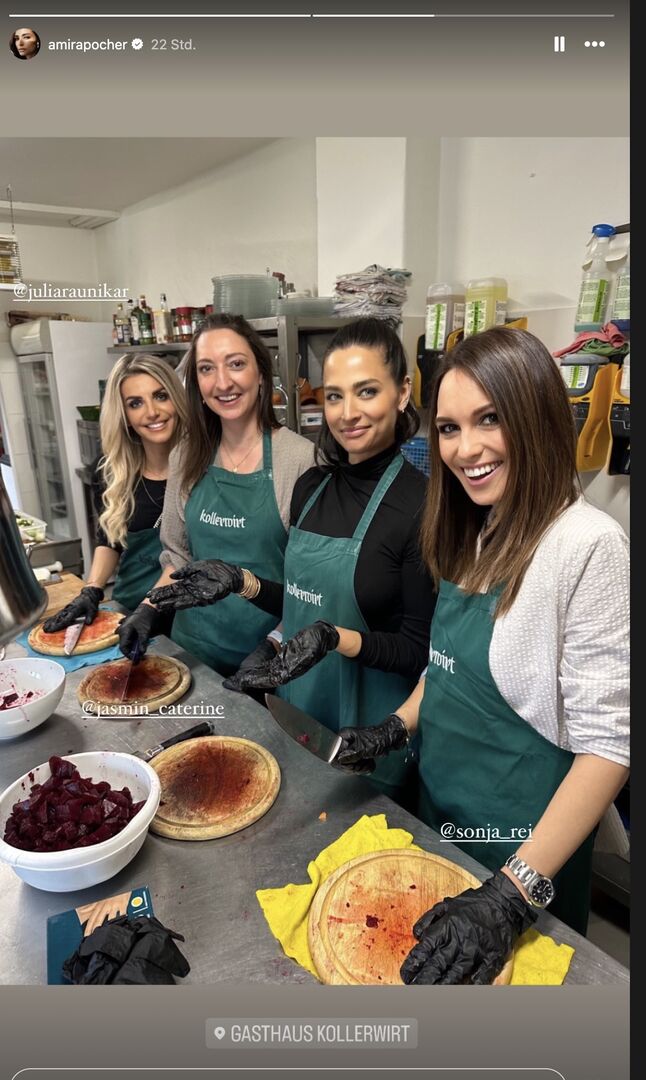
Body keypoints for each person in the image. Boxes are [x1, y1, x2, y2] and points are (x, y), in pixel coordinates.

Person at [331, 326, 629, 979]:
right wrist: (394, 726)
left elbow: (610, 747)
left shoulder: (588, 546)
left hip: (524, 846)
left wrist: (510, 898)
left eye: (489, 419)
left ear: (536, 416)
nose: (467, 449)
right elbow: (448, 669)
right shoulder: (473, 525)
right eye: (448, 428)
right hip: (441, 811)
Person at [154, 318, 435, 803]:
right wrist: (241, 583)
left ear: (403, 392)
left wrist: (334, 639)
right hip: (298, 714)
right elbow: (302, 603)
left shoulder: (423, 506)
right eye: (334, 396)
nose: (348, 413)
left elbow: (420, 650)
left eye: (366, 391)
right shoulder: (312, 486)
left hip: (368, 736)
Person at [120, 312, 315, 675]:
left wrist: (274, 643)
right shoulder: (186, 454)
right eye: (207, 369)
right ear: (197, 382)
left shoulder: (301, 459)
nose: (222, 382)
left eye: (236, 364)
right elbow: (177, 556)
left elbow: (311, 586)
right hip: (190, 653)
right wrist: (147, 609)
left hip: (267, 660)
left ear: (260, 371)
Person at [43, 354, 188, 636]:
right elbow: (109, 537)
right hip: (128, 607)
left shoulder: (202, 468)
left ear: (177, 399)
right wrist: (92, 589)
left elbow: (187, 555)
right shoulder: (113, 470)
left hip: (183, 618)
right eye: (135, 403)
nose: (151, 412)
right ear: (124, 415)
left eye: (160, 396)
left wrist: (150, 608)